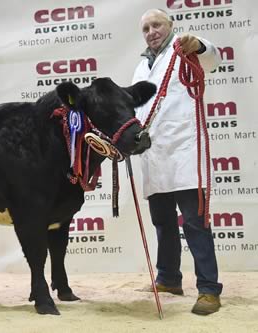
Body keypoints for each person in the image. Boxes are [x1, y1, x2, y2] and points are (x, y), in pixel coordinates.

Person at [132, 8, 223, 315]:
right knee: (163, 223)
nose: (151, 31)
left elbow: (213, 59)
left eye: (156, 24)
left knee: (196, 224)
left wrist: (196, 44)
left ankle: (209, 289)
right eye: (145, 28)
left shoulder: (184, 50)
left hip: (185, 152)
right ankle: (169, 278)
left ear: (170, 25)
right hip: (154, 156)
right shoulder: (141, 66)